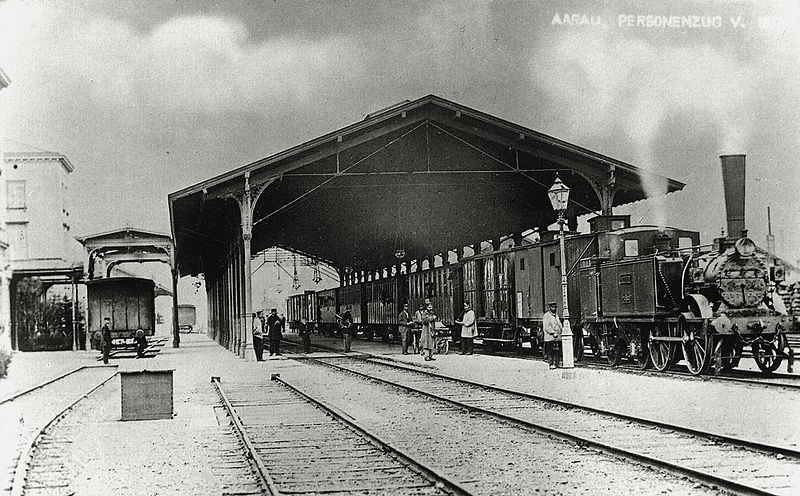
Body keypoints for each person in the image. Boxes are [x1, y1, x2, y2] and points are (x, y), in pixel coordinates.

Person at [542, 301, 563, 369]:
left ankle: (557, 363)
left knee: (557, 351)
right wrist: (553, 332)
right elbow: (547, 327)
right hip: (550, 337)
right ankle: (551, 364)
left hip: (557, 336)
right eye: (552, 307)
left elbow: (559, 323)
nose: (554, 309)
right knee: (551, 351)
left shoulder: (556, 315)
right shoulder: (546, 316)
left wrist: (561, 330)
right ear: (549, 308)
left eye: (555, 307)